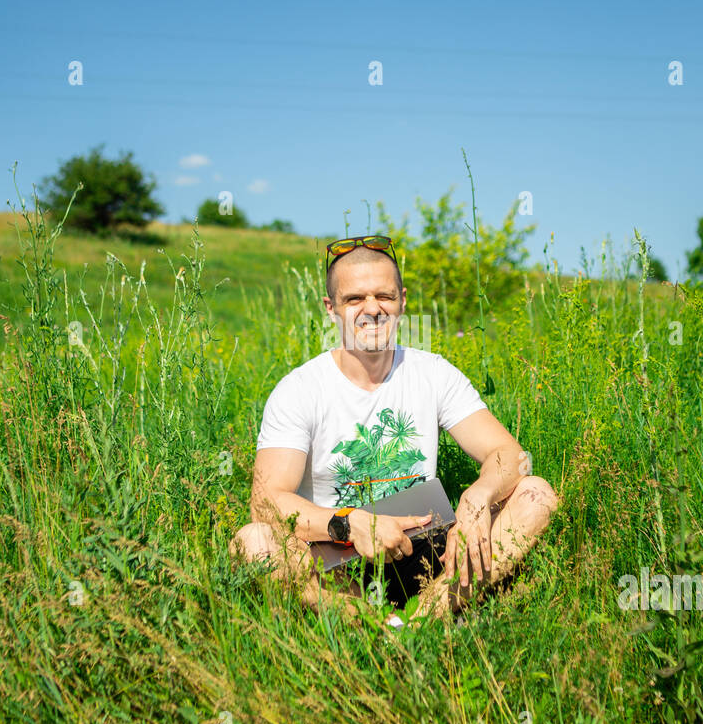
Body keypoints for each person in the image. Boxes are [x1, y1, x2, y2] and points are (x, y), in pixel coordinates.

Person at [230, 233, 558, 620]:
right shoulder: (299, 390)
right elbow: (266, 504)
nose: (372, 309)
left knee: (536, 494)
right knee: (253, 544)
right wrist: (349, 524)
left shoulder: (433, 373)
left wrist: (479, 497)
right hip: (338, 557)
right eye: (354, 299)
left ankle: (424, 620)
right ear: (331, 308)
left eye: (384, 296)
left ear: (402, 300)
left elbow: (511, 456)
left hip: (427, 553)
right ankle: (374, 623)